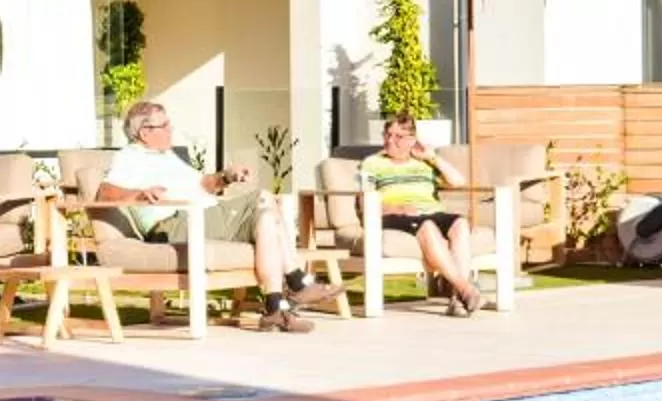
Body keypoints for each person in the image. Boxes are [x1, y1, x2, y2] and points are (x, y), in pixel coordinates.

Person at [95, 100, 338, 334]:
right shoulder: (130, 157)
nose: (171, 130)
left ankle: (275, 307)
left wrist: (226, 176)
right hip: (176, 224)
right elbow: (104, 192)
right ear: (144, 132)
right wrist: (138, 195)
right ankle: (297, 283)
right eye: (164, 126)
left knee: (267, 218)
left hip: (205, 217)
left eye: (169, 124)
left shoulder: (167, 156)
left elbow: (203, 184)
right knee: (262, 197)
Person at [362, 115, 482, 316]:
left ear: (412, 140)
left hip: (431, 212)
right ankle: (465, 289)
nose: (390, 140)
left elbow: (458, 181)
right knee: (427, 226)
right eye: (388, 135)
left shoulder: (424, 164)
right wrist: (398, 208)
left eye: (399, 136)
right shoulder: (372, 163)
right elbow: (364, 202)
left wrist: (432, 156)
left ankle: (457, 299)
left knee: (460, 223)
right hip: (397, 216)